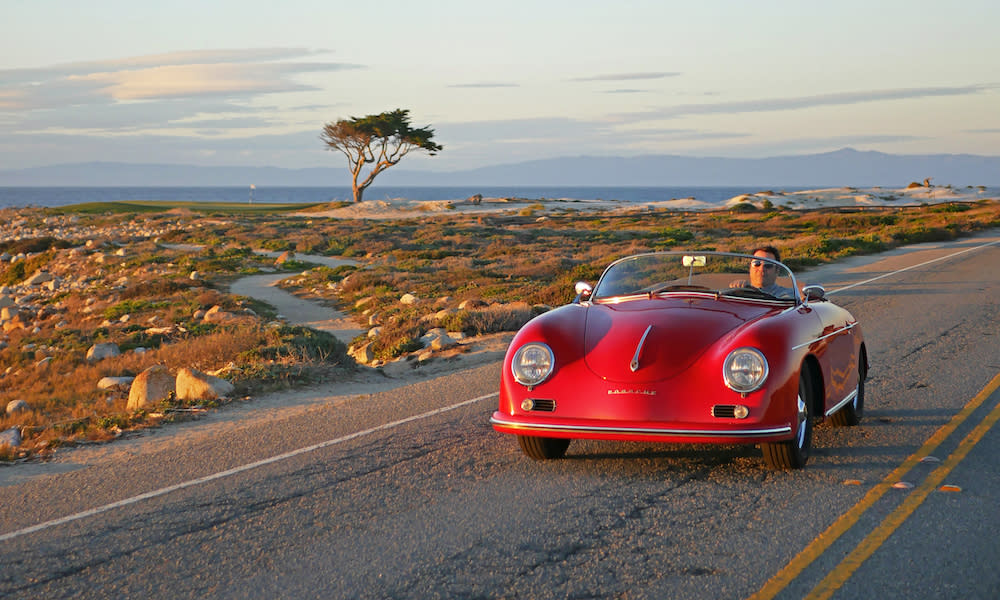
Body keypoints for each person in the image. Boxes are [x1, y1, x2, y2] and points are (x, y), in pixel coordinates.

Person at [729, 246, 796, 299]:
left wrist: (754, 291)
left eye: (768, 265)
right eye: (757, 263)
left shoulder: (787, 294)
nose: (761, 269)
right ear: (750, 267)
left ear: (777, 270)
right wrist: (738, 289)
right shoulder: (738, 291)